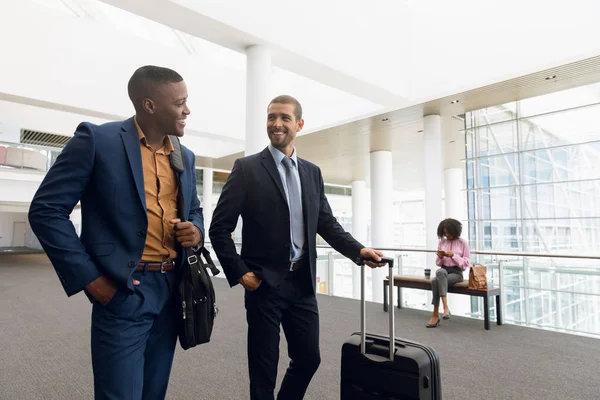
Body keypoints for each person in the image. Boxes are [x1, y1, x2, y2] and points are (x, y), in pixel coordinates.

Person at [28, 65, 204, 399]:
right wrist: (91, 279)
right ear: (149, 105)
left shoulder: (185, 155)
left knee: (154, 392)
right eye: (180, 102)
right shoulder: (98, 140)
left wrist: (195, 229)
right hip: (124, 289)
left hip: (172, 290)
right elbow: (46, 210)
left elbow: (194, 207)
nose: (187, 109)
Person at [209, 95, 386, 400]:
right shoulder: (247, 168)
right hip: (263, 283)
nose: (276, 124)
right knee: (264, 367)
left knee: (308, 359)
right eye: (271, 117)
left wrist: (358, 250)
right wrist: (241, 274)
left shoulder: (311, 172)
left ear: (299, 124)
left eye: (284, 118)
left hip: (302, 282)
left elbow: (327, 224)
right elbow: (219, 228)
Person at [427, 218, 470, 328]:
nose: (446, 235)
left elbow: (465, 264)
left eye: (448, 232)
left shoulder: (463, 243)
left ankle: (435, 314)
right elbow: (438, 263)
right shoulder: (442, 242)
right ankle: (445, 308)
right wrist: (441, 257)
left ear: (454, 230)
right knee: (440, 272)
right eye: (444, 233)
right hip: (443, 270)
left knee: (435, 280)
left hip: (456, 273)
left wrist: (453, 256)